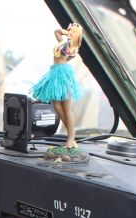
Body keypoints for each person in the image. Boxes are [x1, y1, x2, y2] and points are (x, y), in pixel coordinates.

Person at [30, 23, 86, 161]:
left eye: (73, 31)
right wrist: (66, 33)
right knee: (56, 106)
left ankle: (70, 139)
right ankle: (71, 136)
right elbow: (56, 32)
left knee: (67, 108)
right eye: (70, 30)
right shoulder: (64, 41)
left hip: (64, 75)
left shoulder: (73, 47)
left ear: (77, 35)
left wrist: (71, 36)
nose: (70, 32)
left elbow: (68, 53)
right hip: (54, 73)